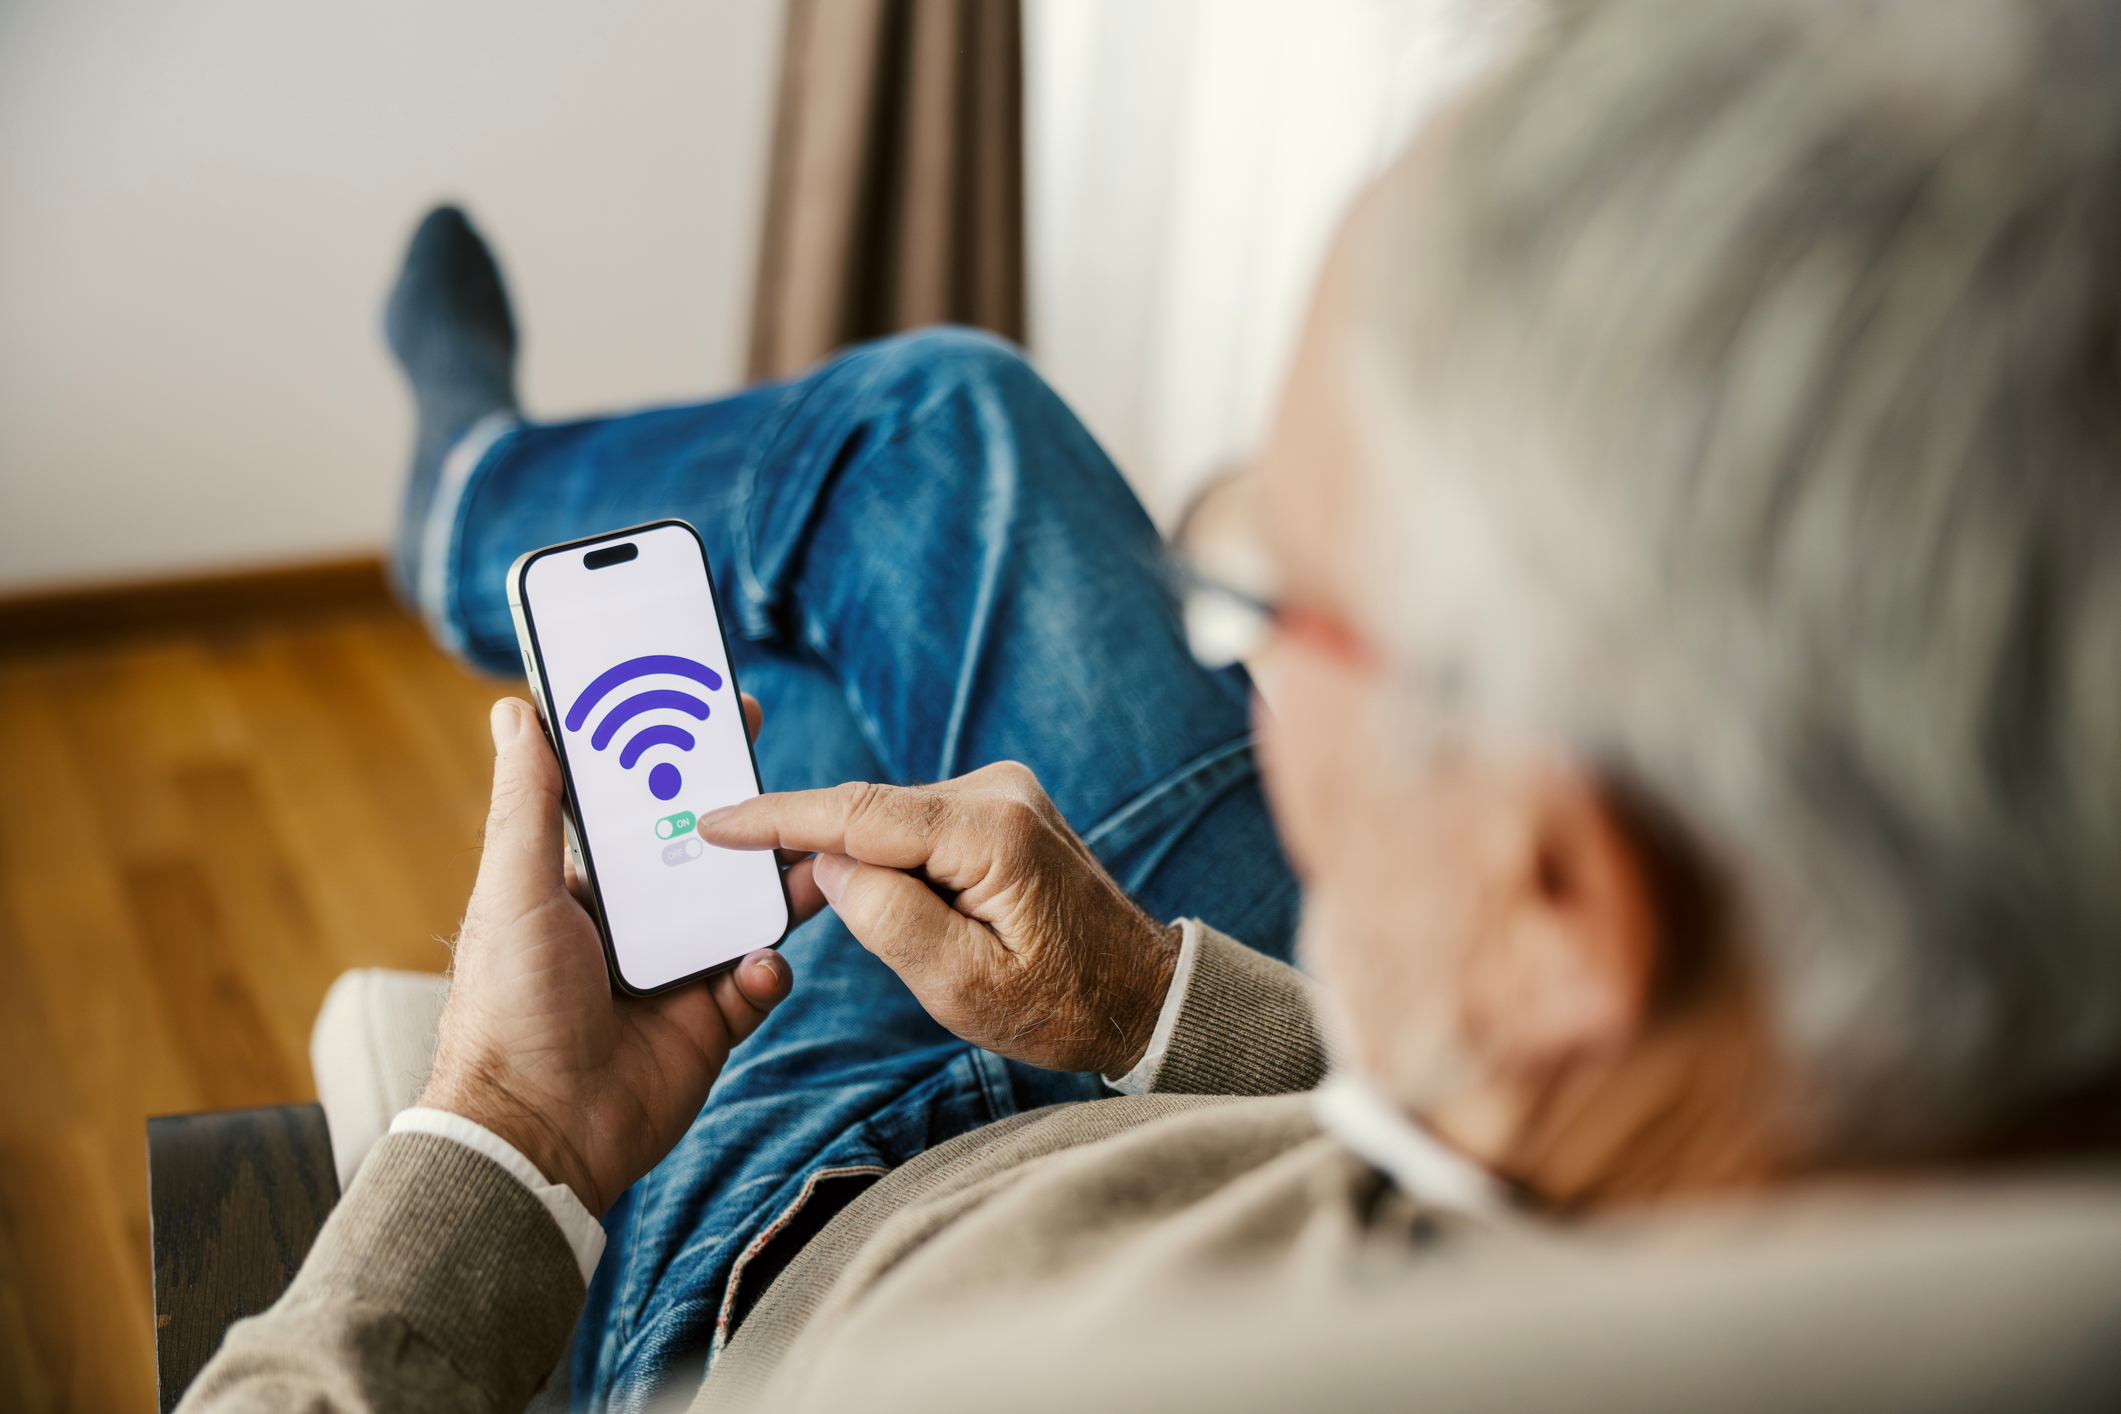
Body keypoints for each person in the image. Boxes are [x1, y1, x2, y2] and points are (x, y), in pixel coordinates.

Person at [183, 0, 2121, 1409]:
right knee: (949, 438)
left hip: (845, 1225)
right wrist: (1143, 1003)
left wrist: (512, 1121)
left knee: (772, 665)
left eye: (1269, 602)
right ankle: (480, 500)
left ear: (1557, 902)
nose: (1234, 655)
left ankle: (469, 494)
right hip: (1225, 1071)